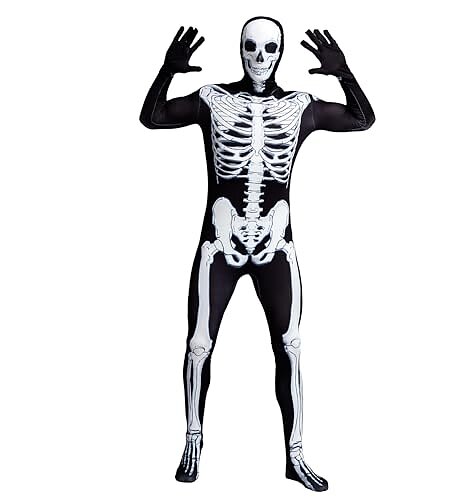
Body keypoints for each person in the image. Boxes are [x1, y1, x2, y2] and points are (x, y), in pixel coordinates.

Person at [139, 16, 375, 492]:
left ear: (280, 53)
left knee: (291, 346)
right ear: (240, 49)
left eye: (269, 48)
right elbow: (153, 117)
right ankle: (192, 441)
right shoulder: (212, 100)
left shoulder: (300, 108)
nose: (260, 57)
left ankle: (296, 455)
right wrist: (167, 70)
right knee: (198, 345)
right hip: (219, 243)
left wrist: (344, 73)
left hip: (276, 244)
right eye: (252, 47)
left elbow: (362, 119)